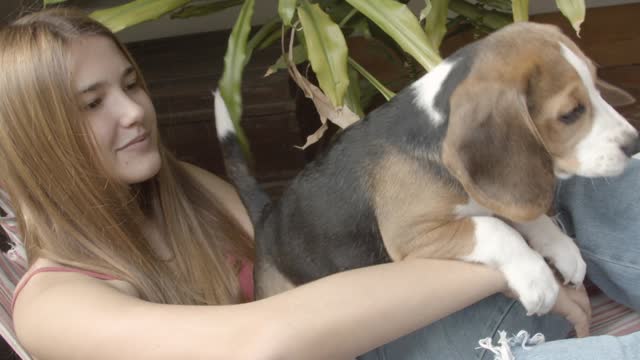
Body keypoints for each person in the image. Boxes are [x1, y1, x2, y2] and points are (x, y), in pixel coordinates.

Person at [0, 7, 637, 360]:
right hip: (390, 346)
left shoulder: (181, 188)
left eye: (130, 84)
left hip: (415, 313)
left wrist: (515, 233)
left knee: (581, 180)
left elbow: (311, 248)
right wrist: (506, 261)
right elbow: (262, 342)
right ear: (36, 136)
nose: (134, 111)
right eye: (92, 103)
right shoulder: (51, 305)